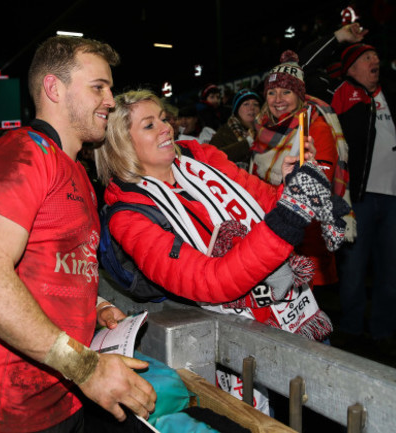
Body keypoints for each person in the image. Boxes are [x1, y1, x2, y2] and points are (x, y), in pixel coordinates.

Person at [0, 36, 156, 433]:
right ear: (53, 89)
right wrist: (86, 368)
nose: (110, 100)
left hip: (66, 400)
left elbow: (51, 266)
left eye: (110, 88)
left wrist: (91, 306)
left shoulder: (77, 170)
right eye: (98, 87)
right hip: (7, 412)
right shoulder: (20, 155)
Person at [95, 89, 350, 342]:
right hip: (239, 338)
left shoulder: (201, 157)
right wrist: (289, 214)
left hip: (294, 308)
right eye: (150, 125)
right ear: (123, 144)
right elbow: (209, 281)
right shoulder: (129, 216)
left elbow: (267, 204)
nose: (166, 128)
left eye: (163, 118)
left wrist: (290, 187)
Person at [329, 42, 396, 353]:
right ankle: (350, 329)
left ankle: (383, 332)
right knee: (353, 271)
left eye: (376, 55)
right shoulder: (341, 97)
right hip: (358, 199)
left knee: (392, 273)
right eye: (366, 57)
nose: (375, 60)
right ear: (350, 68)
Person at [251, 50, 352, 290]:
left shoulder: (315, 126)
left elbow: (322, 184)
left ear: (299, 95)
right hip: (268, 229)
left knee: (303, 309)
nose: (278, 99)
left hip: (304, 234)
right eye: (272, 92)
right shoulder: (261, 129)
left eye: (286, 92)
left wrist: (312, 168)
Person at [209, 88, 262, 168]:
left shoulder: (266, 131)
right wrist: (247, 143)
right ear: (236, 110)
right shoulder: (223, 134)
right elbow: (213, 158)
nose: (252, 108)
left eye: (256, 104)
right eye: (246, 104)